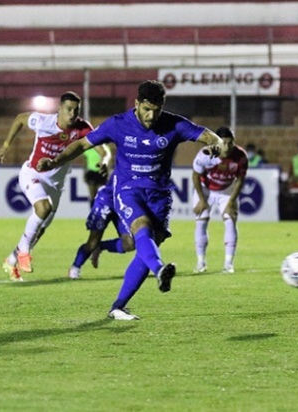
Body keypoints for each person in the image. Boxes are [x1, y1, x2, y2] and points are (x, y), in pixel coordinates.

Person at [37, 80, 223, 320]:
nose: (151, 116)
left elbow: (208, 135)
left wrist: (215, 144)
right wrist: (54, 162)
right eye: (146, 109)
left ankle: (118, 306)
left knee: (145, 248)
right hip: (128, 189)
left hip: (160, 195)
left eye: (156, 110)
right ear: (137, 104)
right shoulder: (118, 124)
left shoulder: (174, 124)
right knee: (140, 229)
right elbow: (82, 144)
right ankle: (159, 270)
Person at [0, 91, 93, 281]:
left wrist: (104, 158)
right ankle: (23, 252)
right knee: (43, 207)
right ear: (59, 109)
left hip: (56, 185)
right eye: (68, 109)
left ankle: (11, 260)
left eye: (76, 110)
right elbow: (19, 119)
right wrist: (6, 145)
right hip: (33, 174)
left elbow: (97, 142)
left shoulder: (82, 128)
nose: (72, 114)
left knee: (39, 230)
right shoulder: (43, 122)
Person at [192, 126, 248, 274]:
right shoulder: (205, 154)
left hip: (227, 190)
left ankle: (228, 264)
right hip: (206, 189)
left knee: (230, 220)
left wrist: (231, 202)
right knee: (201, 220)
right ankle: (200, 263)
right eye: (224, 143)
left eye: (230, 143)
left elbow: (240, 180)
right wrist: (202, 200)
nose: (227, 147)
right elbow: (196, 176)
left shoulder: (241, 156)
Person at [67, 174, 135, 280]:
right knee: (92, 242)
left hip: (123, 202)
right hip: (106, 200)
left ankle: (101, 246)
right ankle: (75, 267)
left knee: (130, 243)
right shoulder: (126, 160)